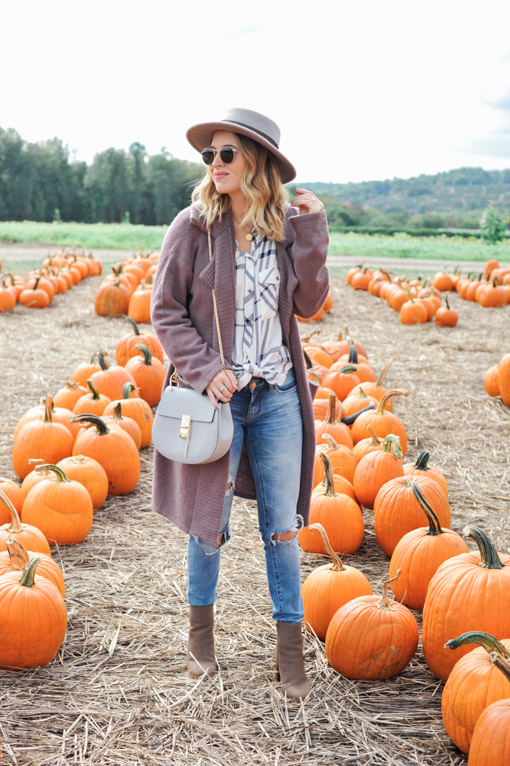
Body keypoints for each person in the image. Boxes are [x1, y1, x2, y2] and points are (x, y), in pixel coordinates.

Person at [151, 108, 329, 699]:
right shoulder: (193, 226)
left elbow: (308, 304)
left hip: (277, 396)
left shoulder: (284, 230)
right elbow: (165, 310)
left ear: (258, 162)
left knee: (282, 528)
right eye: (211, 155)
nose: (216, 164)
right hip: (218, 405)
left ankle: (290, 653)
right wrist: (204, 371)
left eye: (227, 154)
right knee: (210, 526)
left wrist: (314, 236)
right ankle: (200, 640)